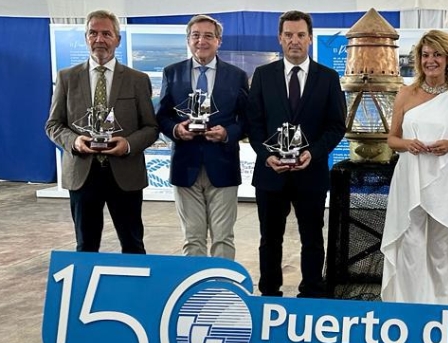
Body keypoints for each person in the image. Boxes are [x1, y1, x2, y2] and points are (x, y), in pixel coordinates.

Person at [246, 10, 347, 297]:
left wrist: (312, 154)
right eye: (288, 35)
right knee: (269, 240)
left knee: (313, 239)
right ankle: (268, 293)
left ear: (310, 39)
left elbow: (336, 125)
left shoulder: (327, 78)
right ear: (280, 38)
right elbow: (253, 124)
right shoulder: (263, 76)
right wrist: (267, 155)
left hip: (311, 174)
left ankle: (312, 295)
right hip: (270, 173)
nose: (294, 41)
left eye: (300, 35)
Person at [380, 30, 448, 305]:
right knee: (411, 245)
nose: (431, 60)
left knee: (441, 247)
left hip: (444, 179)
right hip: (410, 177)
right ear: (418, 59)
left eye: (437, 54)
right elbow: (391, 139)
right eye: (425, 55)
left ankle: (441, 309)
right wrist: (407, 144)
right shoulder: (405, 94)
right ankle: (409, 308)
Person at [45, 9, 158, 254]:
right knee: (85, 246)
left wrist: (127, 144)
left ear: (117, 39)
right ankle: (86, 292)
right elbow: (53, 125)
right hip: (82, 174)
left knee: (133, 245)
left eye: (106, 33)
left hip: (125, 174)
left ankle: (134, 292)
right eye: (93, 33)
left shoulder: (137, 79)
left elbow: (151, 128)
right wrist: (75, 142)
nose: (99, 39)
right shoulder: (67, 78)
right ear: (86, 37)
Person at [157, 15, 249, 260]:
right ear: (188, 40)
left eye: (208, 35)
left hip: (223, 165)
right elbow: (162, 117)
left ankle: (222, 292)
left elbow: (247, 120)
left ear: (219, 41)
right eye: (196, 35)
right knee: (192, 238)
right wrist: (177, 130)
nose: (201, 41)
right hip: (185, 166)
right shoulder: (172, 73)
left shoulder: (237, 76)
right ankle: (196, 294)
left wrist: (227, 133)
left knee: (223, 237)